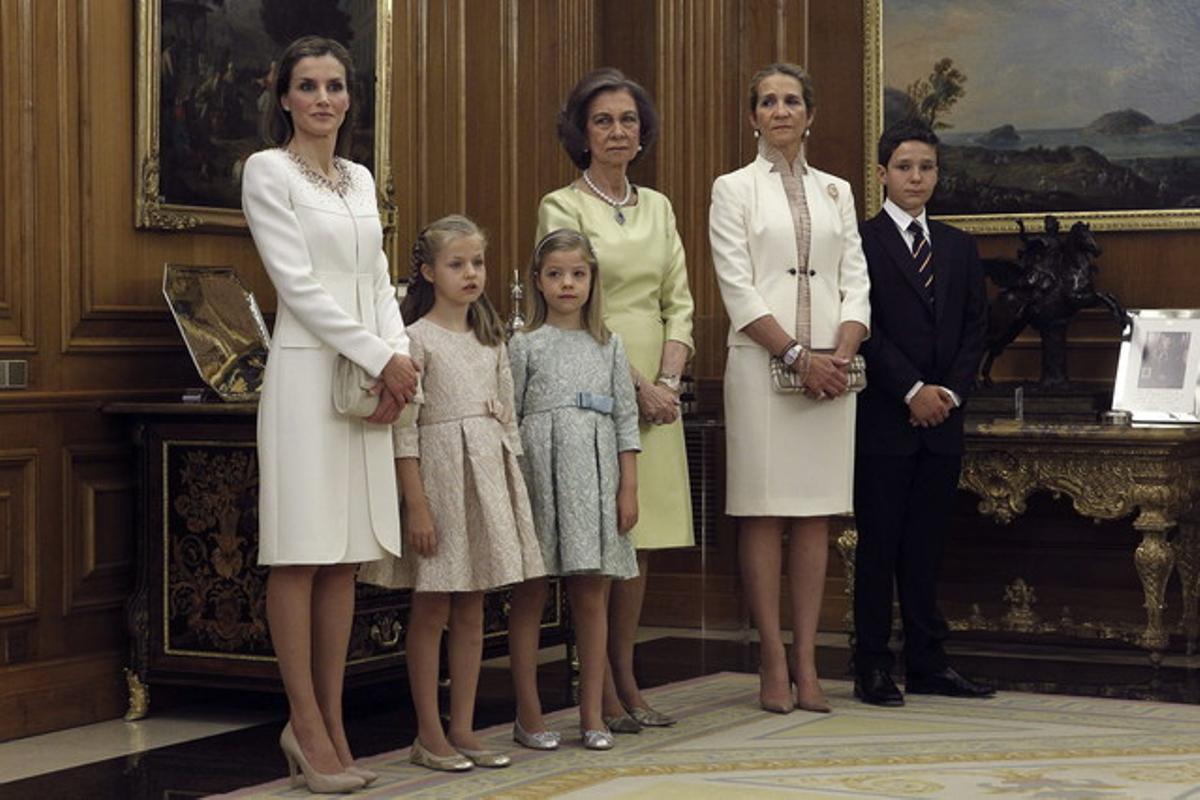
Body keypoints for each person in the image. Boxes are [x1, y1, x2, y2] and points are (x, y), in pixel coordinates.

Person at [241, 35, 417, 794]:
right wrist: (382, 359)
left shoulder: (359, 176)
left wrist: (402, 356)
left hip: (369, 380)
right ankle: (304, 726)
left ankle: (333, 723)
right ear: (283, 96)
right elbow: (299, 287)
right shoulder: (266, 171)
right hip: (309, 381)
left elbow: (379, 278)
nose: (322, 98)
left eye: (335, 85)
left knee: (344, 554)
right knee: (301, 550)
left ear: (351, 96)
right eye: (307, 85)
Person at [708, 63, 871, 714]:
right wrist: (799, 356)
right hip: (760, 364)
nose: (781, 110)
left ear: (811, 115)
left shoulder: (837, 191)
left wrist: (842, 350)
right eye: (768, 102)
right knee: (763, 508)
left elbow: (855, 277)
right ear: (752, 117)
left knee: (815, 515)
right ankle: (771, 660)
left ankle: (808, 660)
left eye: (792, 101)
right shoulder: (733, 189)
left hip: (834, 371)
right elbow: (736, 285)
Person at [536, 67, 694, 731]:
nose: (617, 131)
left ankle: (626, 677)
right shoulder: (561, 205)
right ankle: (593, 687)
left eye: (628, 119)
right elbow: (575, 303)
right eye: (603, 120)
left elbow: (679, 301)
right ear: (582, 131)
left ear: (643, 130)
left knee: (642, 536)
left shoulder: (658, 206)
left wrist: (671, 384)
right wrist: (639, 389)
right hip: (593, 381)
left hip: (661, 388)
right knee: (600, 536)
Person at [358, 215, 546, 771]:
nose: (470, 274)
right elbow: (404, 429)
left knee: (474, 607)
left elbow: (507, 418)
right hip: (440, 480)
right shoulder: (414, 341)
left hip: (486, 479)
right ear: (427, 272)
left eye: (478, 263)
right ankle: (428, 731)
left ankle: (463, 726)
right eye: (456, 264)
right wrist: (416, 503)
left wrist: (511, 495)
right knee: (433, 605)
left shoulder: (492, 338)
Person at [853, 119, 991, 706]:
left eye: (927, 167)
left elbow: (974, 330)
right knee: (879, 546)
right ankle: (872, 666)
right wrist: (912, 390)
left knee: (928, 547)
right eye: (905, 167)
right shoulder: (861, 240)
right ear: (883, 175)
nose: (917, 177)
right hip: (886, 419)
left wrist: (948, 395)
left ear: (938, 174)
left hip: (944, 424)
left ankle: (930, 662)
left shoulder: (960, 246)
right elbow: (864, 329)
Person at [508, 229, 642, 752]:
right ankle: (529, 713)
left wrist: (627, 488)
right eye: (556, 274)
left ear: (592, 280)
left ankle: (592, 714)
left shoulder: (609, 345)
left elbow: (626, 423)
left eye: (578, 274)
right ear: (538, 282)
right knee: (531, 593)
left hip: (597, 477)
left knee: (592, 594)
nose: (568, 283)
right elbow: (512, 421)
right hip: (540, 479)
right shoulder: (524, 345)